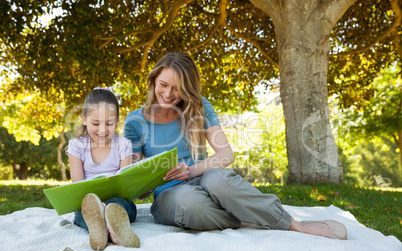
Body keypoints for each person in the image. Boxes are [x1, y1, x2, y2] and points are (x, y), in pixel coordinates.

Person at [123, 52, 347, 240]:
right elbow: (136, 187)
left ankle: (292, 224)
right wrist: (154, 177)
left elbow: (226, 154)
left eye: (178, 88)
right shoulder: (134, 121)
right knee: (189, 202)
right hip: (169, 194)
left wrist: (190, 170)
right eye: (163, 85)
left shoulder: (199, 107)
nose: (169, 94)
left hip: (202, 178)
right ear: (153, 80)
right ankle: (246, 220)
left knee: (218, 179)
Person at [67, 88, 140, 251]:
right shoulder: (77, 146)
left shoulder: (123, 145)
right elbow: (77, 187)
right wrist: (96, 204)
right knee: (83, 212)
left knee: (120, 206)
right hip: (89, 203)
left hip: (117, 201)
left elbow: (124, 187)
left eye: (109, 123)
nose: (102, 130)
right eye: (96, 123)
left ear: (117, 121)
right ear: (84, 119)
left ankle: (105, 226)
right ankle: (108, 229)